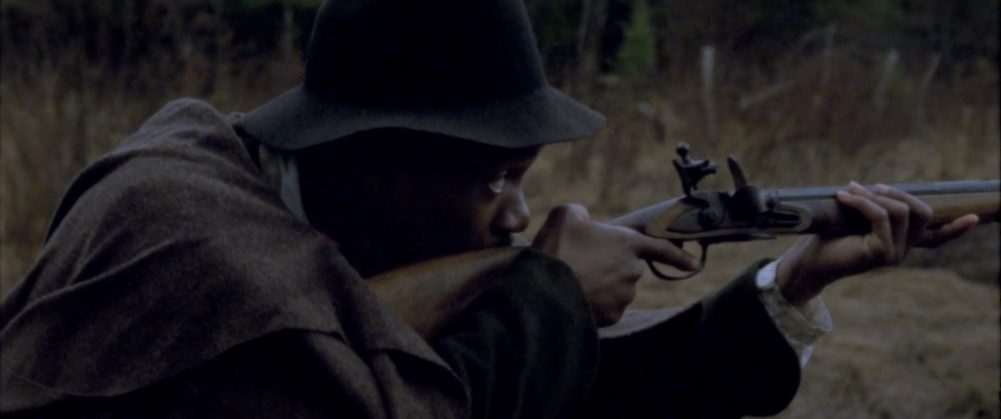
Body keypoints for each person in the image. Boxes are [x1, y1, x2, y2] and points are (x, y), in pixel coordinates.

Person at [0, 0, 978, 418]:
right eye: (495, 177)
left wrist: (787, 285)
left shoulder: (279, 205)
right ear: (376, 157)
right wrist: (548, 291)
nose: (516, 215)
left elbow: (544, 387)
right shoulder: (202, 246)